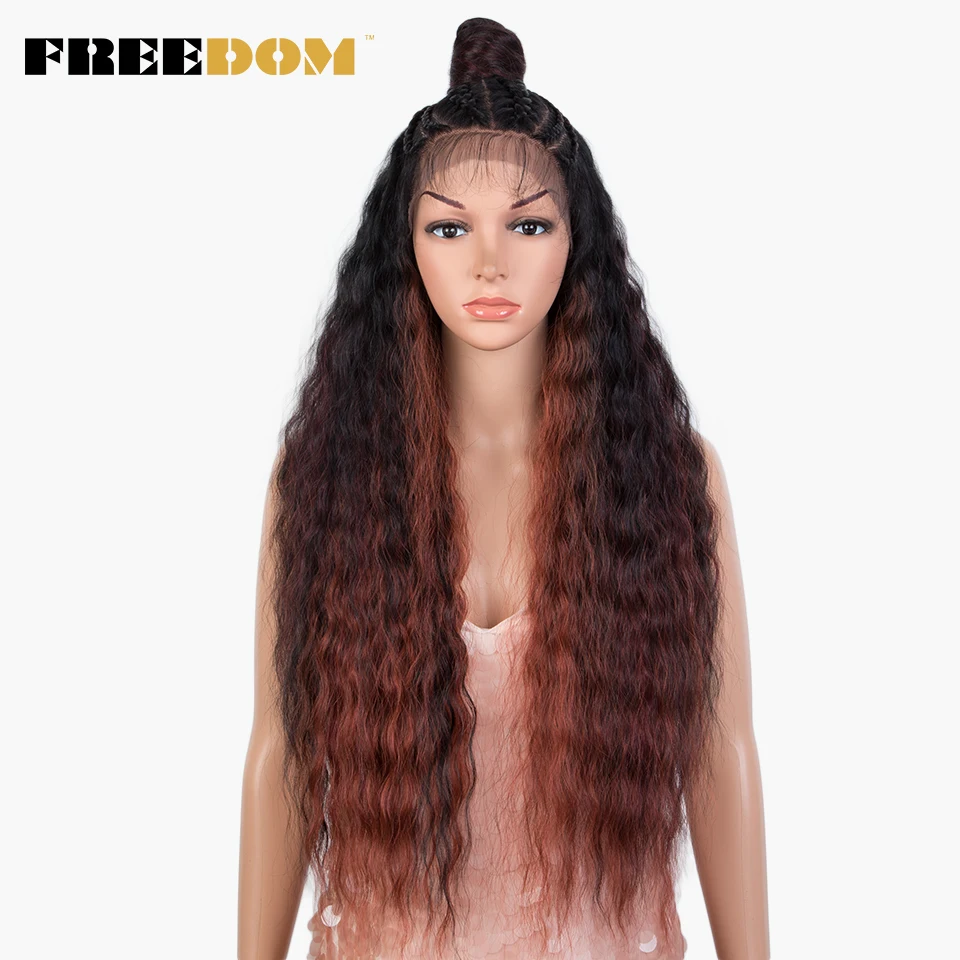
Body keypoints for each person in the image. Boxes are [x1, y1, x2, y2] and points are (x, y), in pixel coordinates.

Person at [238, 17, 769, 960]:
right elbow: (279, 754)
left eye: (529, 223)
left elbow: (721, 755)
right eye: (450, 227)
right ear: (405, 249)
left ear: (576, 242)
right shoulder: (322, 479)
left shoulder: (676, 479)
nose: (491, 261)